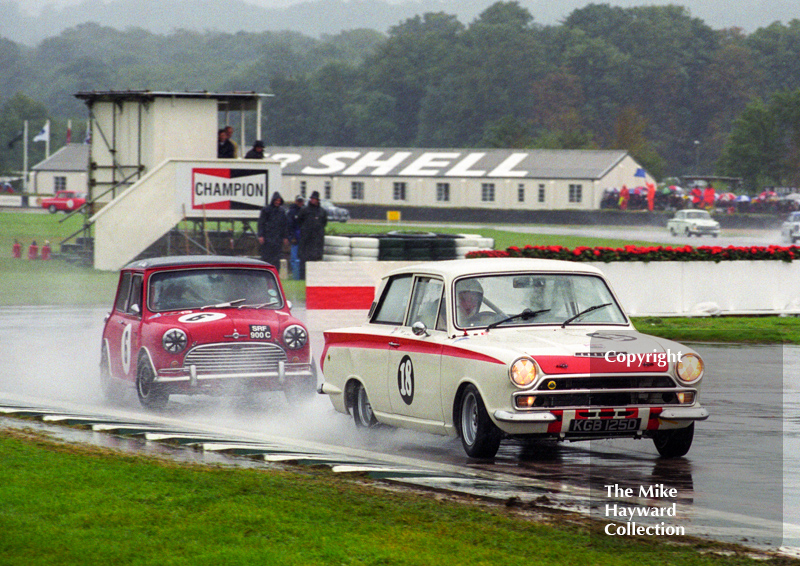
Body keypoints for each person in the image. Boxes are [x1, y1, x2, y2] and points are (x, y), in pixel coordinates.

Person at [296, 191, 327, 280]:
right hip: (306, 240)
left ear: (317, 200)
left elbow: (324, 223)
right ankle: (302, 278)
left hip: (317, 240)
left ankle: (314, 278)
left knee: (315, 261)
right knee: (304, 261)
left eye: (314, 199)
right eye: (312, 199)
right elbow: (299, 222)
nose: (313, 200)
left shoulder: (322, 211)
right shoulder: (304, 210)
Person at [257, 192, 289, 268]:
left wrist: (285, 237)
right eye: (276, 200)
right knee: (266, 257)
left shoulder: (282, 211)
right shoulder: (266, 210)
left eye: (279, 201)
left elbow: (284, 225)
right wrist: (261, 235)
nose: (278, 202)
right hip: (267, 238)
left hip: (278, 238)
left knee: (277, 258)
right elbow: (261, 223)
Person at [286, 194, 305, 279]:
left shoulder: (305, 211)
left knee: (302, 259)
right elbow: (289, 225)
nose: (300, 203)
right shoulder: (291, 212)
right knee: (294, 259)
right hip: (295, 239)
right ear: (296, 201)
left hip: (303, 239)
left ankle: (301, 276)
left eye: (301, 201)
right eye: (299, 201)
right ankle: (295, 276)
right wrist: (291, 237)